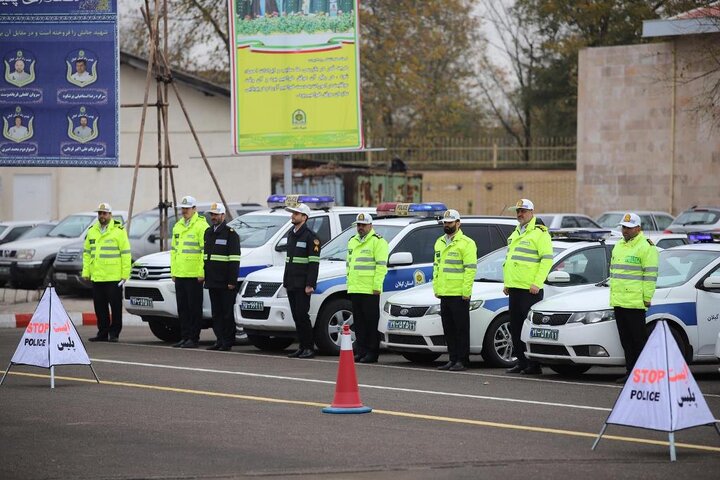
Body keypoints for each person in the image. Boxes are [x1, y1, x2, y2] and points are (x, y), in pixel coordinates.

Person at [503, 199, 553, 375]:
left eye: (523, 211)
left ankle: (533, 364)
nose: (519, 214)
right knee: (515, 327)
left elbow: (547, 260)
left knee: (528, 329)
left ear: (532, 212)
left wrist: (537, 283)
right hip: (515, 288)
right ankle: (521, 361)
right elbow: (510, 261)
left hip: (529, 290)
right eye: (518, 211)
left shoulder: (540, 233)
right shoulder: (516, 232)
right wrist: (507, 283)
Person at [610, 212, 658, 384]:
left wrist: (646, 298)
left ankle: (643, 374)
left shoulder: (646, 247)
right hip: (619, 301)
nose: (625, 231)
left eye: (629, 228)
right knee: (626, 341)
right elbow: (615, 274)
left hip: (635, 303)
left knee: (639, 341)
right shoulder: (619, 246)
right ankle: (630, 372)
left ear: (638, 228)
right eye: (623, 227)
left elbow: (650, 276)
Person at [433, 209, 477, 372]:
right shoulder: (439, 242)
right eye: (445, 222)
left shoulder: (467, 243)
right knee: (449, 329)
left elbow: (470, 269)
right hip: (444, 292)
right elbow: (436, 267)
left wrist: (466, 291)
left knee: (461, 329)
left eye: (450, 222)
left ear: (458, 223)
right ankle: (452, 359)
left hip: (459, 294)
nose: (447, 225)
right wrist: (436, 288)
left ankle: (462, 360)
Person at [82, 202, 131, 342]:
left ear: (110, 215)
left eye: (104, 213)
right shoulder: (92, 231)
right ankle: (102, 332)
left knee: (115, 307)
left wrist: (124, 275)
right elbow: (87, 253)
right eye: (99, 213)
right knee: (100, 307)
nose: (101, 216)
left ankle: (114, 333)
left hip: (113, 277)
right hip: (97, 276)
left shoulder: (119, 231)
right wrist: (86, 272)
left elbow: (126, 254)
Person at [346, 213, 388, 363]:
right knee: (359, 323)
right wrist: (349, 283)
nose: (360, 228)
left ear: (371, 225)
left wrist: (377, 286)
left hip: (370, 289)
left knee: (371, 323)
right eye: (358, 225)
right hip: (356, 288)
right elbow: (349, 265)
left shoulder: (378, 242)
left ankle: (372, 352)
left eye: (363, 225)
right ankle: (361, 350)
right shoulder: (352, 241)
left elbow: (381, 266)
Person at [171, 195, 209, 349]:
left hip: (194, 275)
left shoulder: (201, 226)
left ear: (195, 209)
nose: (184, 211)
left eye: (187, 208)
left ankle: (193, 338)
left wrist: (202, 273)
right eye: (183, 208)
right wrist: (173, 272)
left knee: (194, 308)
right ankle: (184, 336)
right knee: (182, 308)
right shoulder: (178, 226)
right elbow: (174, 251)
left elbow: (204, 252)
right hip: (180, 273)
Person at [283, 203, 320, 359]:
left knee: (302, 315)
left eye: (296, 214)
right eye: (293, 213)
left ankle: (309, 348)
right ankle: (301, 346)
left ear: (304, 217)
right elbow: (289, 261)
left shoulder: (311, 237)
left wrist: (310, 284)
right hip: (291, 282)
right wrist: (285, 282)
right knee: (296, 316)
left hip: (303, 284)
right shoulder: (291, 234)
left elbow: (313, 264)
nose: (293, 216)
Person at [203, 203, 241, 351]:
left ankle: (228, 341)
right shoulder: (208, 232)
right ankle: (219, 340)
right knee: (216, 313)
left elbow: (234, 260)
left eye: (216, 214)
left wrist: (232, 281)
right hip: (212, 280)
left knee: (226, 313)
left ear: (223, 216)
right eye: (212, 214)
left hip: (226, 282)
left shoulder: (231, 234)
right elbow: (206, 257)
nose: (213, 217)